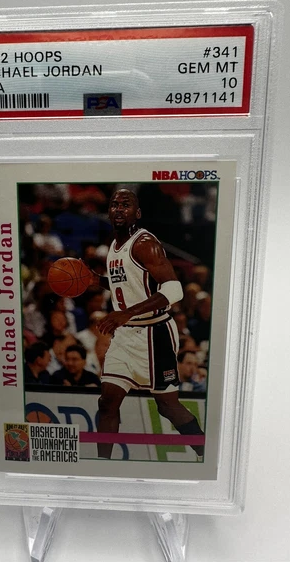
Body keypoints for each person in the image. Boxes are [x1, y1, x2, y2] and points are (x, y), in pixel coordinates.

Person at [88, 189, 204, 460]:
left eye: (126, 205)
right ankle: (102, 466)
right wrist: (97, 280)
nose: (119, 209)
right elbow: (128, 285)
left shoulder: (145, 243)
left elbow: (174, 290)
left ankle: (206, 452)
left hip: (155, 333)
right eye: (114, 204)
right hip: (126, 335)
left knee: (167, 406)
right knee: (107, 402)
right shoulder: (114, 246)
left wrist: (125, 314)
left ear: (137, 213)